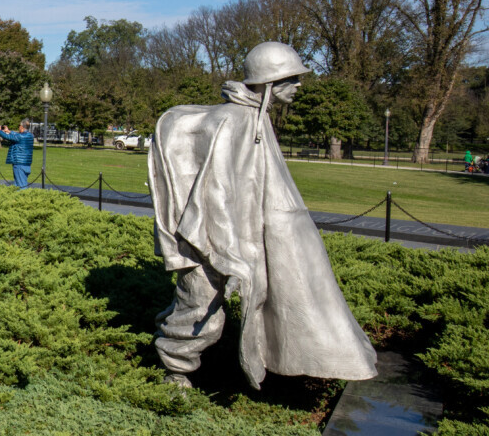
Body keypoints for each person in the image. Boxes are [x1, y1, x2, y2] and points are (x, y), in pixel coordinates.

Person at [148, 41, 377, 390]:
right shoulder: (236, 120)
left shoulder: (257, 117)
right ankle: (174, 374)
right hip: (210, 240)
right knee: (198, 310)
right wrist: (227, 253)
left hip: (240, 238)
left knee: (201, 306)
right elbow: (215, 191)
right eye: (292, 79)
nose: (299, 86)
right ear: (271, 82)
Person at [0, 123, 34, 188]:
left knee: (21, 185)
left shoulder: (20, 137)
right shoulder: (30, 135)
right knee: (21, 183)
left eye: (19, 126)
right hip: (26, 163)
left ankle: (22, 197)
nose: (18, 127)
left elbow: (8, 137)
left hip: (19, 163)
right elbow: (18, 135)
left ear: (22, 127)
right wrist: (9, 131)